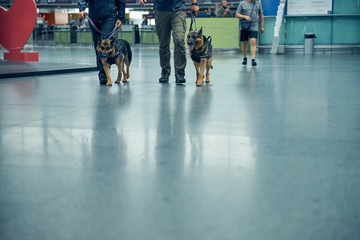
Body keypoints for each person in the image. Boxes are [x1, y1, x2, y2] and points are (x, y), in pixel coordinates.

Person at [139, 0, 199, 84]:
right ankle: (165, 72)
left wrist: (194, 3)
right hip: (161, 10)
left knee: (179, 40)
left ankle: (179, 73)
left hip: (178, 10)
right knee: (163, 43)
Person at [78, 0, 125, 85]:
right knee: (98, 45)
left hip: (110, 16)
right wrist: (82, 9)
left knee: (105, 43)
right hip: (94, 16)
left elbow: (121, 1)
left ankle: (106, 73)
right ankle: (103, 73)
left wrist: (121, 17)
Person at [236, 0, 264, 66]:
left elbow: (261, 15)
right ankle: (245, 58)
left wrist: (262, 26)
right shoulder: (242, 4)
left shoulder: (258, 3)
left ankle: (253, 59)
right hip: (245, 26)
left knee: (253, 41)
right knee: (245, 43)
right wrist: (245, 17)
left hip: (254, 26)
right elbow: (237, 14)